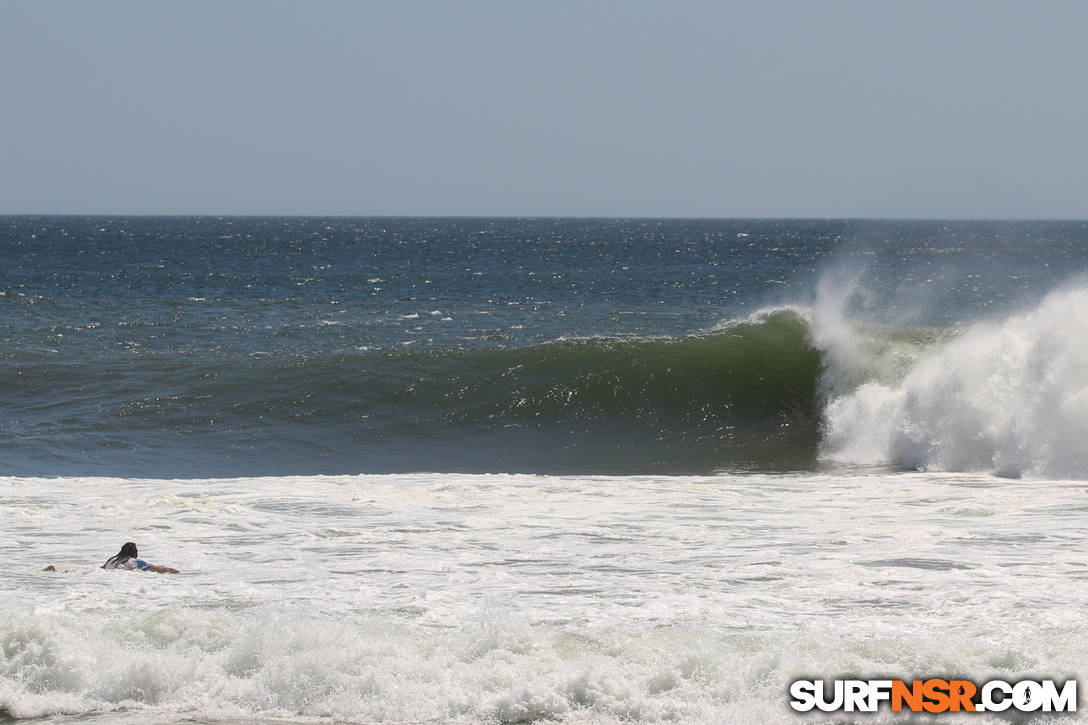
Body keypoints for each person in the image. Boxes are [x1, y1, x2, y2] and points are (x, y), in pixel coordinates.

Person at [101, 542, 179, 574]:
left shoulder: (111, 560)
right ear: (135, 552)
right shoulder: (134, 562)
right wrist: (170, 569)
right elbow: (156, 569)